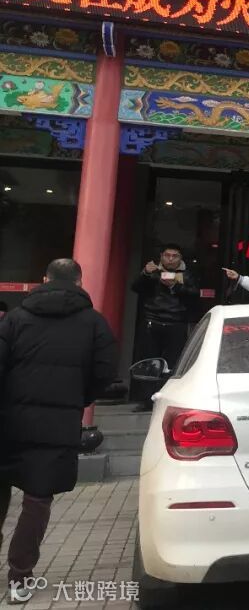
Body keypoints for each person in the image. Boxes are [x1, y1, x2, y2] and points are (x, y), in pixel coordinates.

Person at [0, 259, 117, 605]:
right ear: (80, 282)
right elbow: (105, 372)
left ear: (44, 279)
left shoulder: (16, 318)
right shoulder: (94, 323)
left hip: (8, 420)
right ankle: (19, 576)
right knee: (37, 500)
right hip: (57, 423)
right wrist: (78, 398)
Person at [130, 244, 198, 412]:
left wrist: (174, 286)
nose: (170, 259)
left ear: (180, 258)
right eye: (167, 255)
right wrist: (145, 273)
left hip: (176, 323)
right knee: (149, 363)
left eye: (175, 256)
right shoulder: (153, 271)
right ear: (161, 256)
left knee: (173, 364)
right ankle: (147, 400)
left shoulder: (187, 274)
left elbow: (195, 295)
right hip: (153, 321)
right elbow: (135, 288)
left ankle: (168, 399)